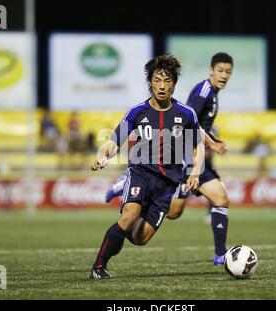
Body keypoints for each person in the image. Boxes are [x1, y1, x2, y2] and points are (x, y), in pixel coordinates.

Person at [105, 52, 232, 265]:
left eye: (228, 72)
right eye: (220, 70)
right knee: (221, 199)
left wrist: (211, 143)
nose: (224, 75)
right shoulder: (203, 93)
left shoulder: (213, 93)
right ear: (211, 71)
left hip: (190, 158)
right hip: (185, 158)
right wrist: (211, 144)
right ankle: (220, 254)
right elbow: (190, 122)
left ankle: (220, 253)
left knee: (173, 212)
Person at [89, 54, 205, 279]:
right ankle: (98, 267)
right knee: (130, 214)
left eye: (167, 81)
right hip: (140, 173)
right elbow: (114, 141)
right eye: (157, 80)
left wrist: (195, 172)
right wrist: (104, 156)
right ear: (149, 82)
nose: (162, 86)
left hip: (167, 183)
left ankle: (118, 236)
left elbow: (198, 146)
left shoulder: (186, 114)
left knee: (139, 238)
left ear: (174, 84)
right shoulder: (137, 112)